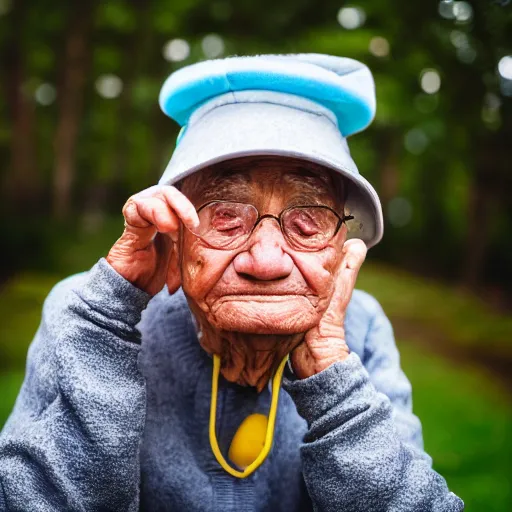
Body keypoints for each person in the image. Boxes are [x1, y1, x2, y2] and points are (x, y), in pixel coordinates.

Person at [0, 54, 464, 511]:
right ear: (175, 237)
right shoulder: (92, 315)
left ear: (341, 246)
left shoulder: (361, 332)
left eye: (307, 220)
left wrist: (331, 376)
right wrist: (107, 318)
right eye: (225, 216)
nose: (265, 262)